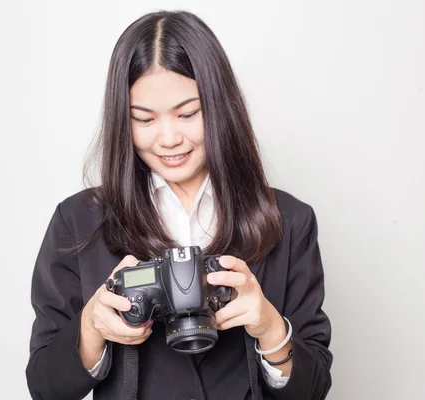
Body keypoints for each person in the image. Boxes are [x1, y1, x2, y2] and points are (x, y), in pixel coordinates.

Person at [26, 10, 332, 400]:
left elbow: (315, 389)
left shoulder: (289, 221)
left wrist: (271, 327)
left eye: (188, 113)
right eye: (144, 119)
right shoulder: (79, 221)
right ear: (123, 120)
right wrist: (91, 328)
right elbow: (45, 387)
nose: (168, 138)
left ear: (220, 107)